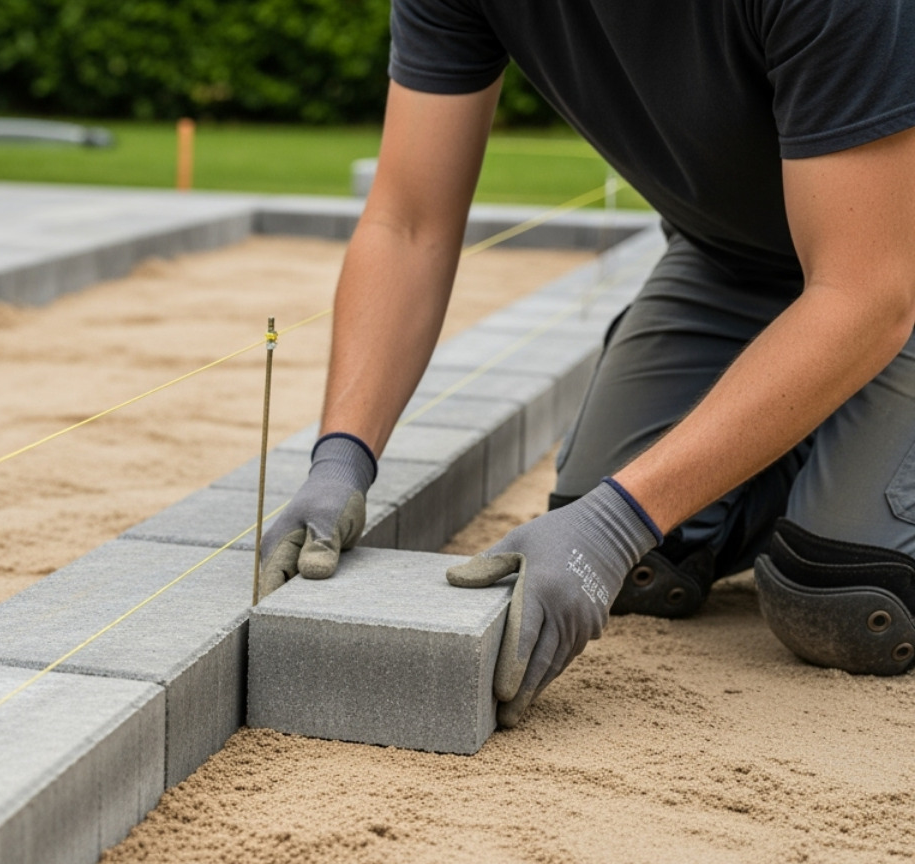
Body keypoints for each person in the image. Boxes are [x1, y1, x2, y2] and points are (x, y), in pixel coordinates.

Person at [258, 0, 915, 727]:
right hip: (733, 263)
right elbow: (409, 223)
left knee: (846, 601)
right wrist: (342, 457)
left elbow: (866, 294)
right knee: (638, 568)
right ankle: (822, 441)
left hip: (893, 267)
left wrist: (617, 520)